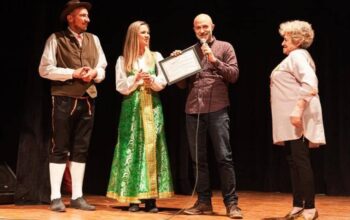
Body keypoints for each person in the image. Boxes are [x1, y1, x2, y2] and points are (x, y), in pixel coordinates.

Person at [171, 13, 242, 219]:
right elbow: (182, 85)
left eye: (205, 26)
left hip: (218, 108)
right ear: (194, 30)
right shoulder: (189, 52)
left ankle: (232, 203)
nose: (202, 30)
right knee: (198, 160)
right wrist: (177, 66)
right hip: (193, 109)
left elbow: (234, 75)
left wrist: (213, 59)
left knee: (224, 157)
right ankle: (203, 202)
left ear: (212, 26)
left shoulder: (225, 47)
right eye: (198, 28)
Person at [38, 0, 107, 212]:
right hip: (64, 99)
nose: (88, 19)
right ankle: (56, 196)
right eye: (83, 15)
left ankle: (77, 195)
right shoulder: (56, 39)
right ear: (70, 17)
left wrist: (94, 73)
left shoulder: (93, 39)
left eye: (87, 16)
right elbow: (45, 69)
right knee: (60, 147)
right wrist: (72, 73)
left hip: (88, 98)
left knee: (81, 148)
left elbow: (102, 66)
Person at [106, 21, 174, 213]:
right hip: (132, 107)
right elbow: (120, 87)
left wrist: (151, 80)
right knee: (131, 147)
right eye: (143, 33)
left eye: (148, 32)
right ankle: (133, 198)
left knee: (153, 147)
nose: (147, 36)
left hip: (152, 106)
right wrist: (135, 80)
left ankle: (151, 198)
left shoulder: (156, 56)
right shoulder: (123, 59)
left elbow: (163, 82)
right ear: (134, 36)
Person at [269, 20, 326, 220]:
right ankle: (298, 205)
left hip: (297, 119)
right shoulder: (293, 57)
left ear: (298, 39)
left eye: (285, 39)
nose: (282, 43)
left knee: (300, 162)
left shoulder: (298, 55)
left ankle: (310, 207)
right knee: (293, 162)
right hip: (289, 121)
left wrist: (298, 109)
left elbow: (310, 82)